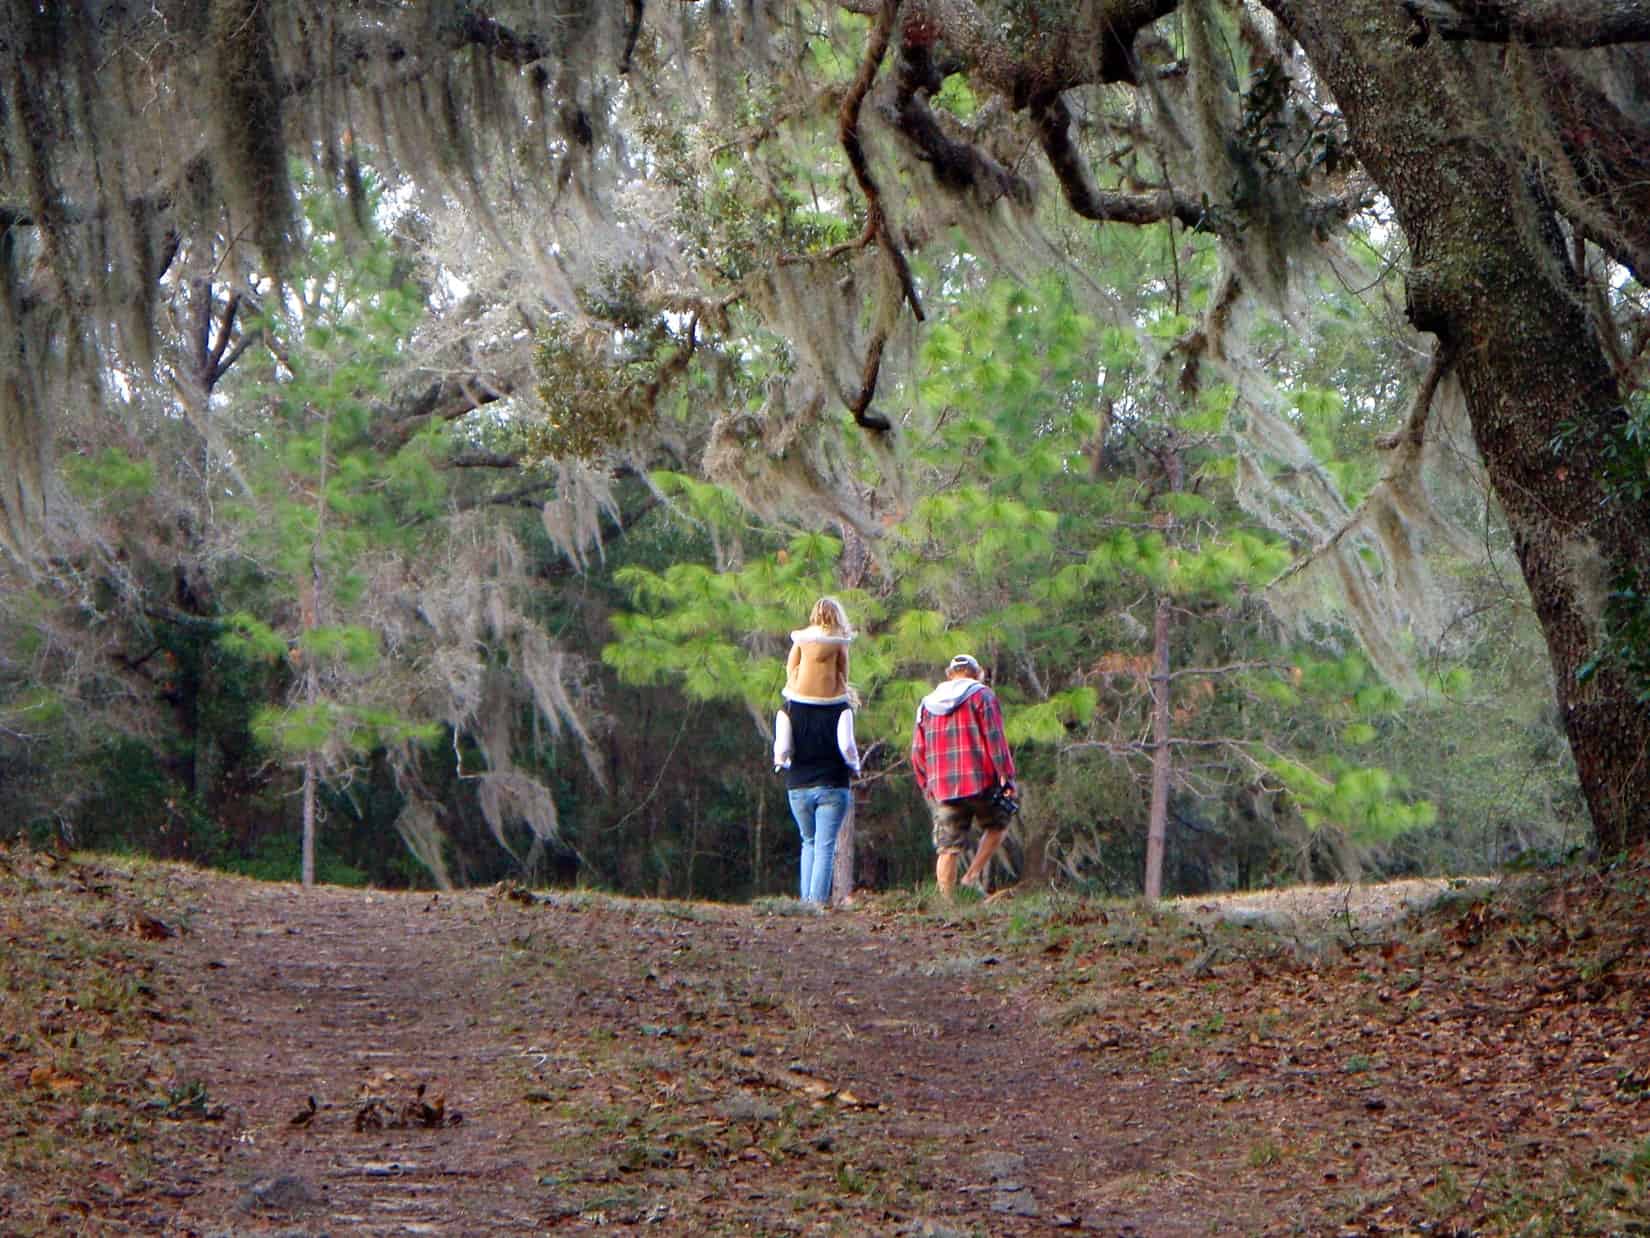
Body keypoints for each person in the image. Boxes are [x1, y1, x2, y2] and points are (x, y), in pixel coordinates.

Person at [910, 653, 1018, 898]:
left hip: (944, 788)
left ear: (949, 675)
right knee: (998, 825)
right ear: (977, 673)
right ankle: (971, 876)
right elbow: (996, 740)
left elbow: (917, 749)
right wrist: (1006, 776)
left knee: (947, 848)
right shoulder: (983, 696)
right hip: (980, 782)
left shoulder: (927, 704)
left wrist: (926, 783)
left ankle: (946, 904)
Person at [773, 687, 861, 904]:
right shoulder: (842, 709)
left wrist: (781, 762)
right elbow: (847, 745)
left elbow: (783, 748)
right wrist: (855, 765)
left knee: (808, 841)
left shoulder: (788, 709)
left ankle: (806, 902)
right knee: (825, 845)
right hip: (833, 783)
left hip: (798, 786)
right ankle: (818, 903)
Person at [784, 597, 853, 704]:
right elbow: (843, 670)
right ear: (838, 617)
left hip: (800, 695)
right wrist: (843, 687)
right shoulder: (839, 642)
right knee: (846, 713)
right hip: (830, 697)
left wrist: (793, 686)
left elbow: (791, 666)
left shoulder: (802, 638)